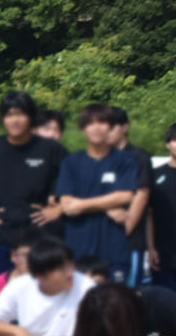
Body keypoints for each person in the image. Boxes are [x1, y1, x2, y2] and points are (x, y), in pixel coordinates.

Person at [0, 91, 65, 287]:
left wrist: (57, 210)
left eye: (20, 114)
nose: (14, 120)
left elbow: (72, 187)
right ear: (2, 119)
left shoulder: (51, 150)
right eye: (9, 115)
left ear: (31, 117)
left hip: (39, 242)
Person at [56, 103, 138, 280]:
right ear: (82, 128)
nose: (97, 128)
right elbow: (67, 205)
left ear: (111, 127)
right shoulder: (71, 163)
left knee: (117, 303)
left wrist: (83, 204)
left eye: (102, 122)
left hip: (114, 248)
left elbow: (126, 195)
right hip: (78, 248)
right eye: (91, 123)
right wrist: (108, 207)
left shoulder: (125, 160)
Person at [110, 106, 153, 285]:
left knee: (127, 300)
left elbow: (141, 196)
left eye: (111, 126)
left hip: (130, 242)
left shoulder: (138, 157)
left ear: (125, 127)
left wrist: (124, 230)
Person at [148, 123, 176, 291]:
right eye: (175, 139)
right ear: (167, 144)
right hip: (164, 253)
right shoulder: (156, 175)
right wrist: (151, 248)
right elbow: (149, 214)